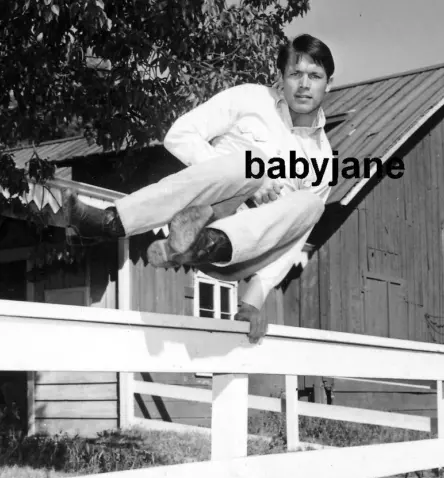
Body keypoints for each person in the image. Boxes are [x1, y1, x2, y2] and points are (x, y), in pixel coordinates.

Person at [64, 34, 335, 343]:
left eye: (314, 76)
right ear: (280, 77)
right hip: (207, 207)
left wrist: (252, 302)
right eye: (295, 74)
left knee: (311, 207)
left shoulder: (322, 157)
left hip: (242, 251)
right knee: (252, 163)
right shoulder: (249, 99)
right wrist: (253, 178)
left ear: (328, 83)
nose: (303, 84)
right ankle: (112, 222)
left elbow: (295, 236)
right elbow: (179, 135)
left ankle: (200, 244)